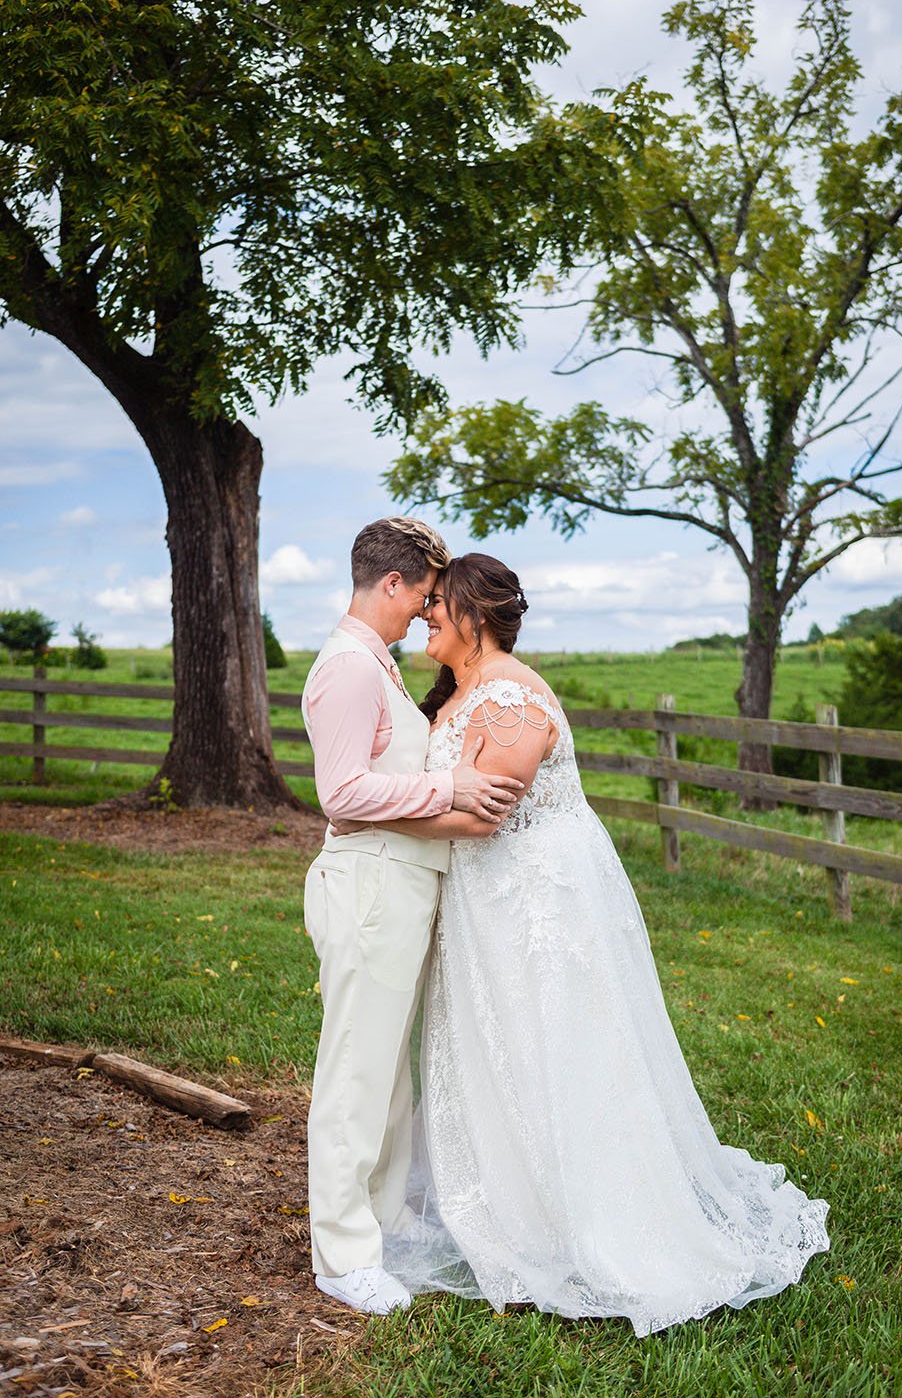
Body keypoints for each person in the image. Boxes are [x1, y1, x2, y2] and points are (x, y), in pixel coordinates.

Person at [329, 552, 831, 1336]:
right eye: (423, 602)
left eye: (439, 604)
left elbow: (483, 815)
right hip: (481, 905)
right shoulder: (458, 694)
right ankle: (506, 1193)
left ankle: (593, 1222)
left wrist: (362, 812)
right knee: (497, 1053)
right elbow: (450, 796)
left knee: (553, 1050)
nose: (426, 614)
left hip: (535, 904)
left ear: (476, 614)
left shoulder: (512, 698)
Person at [300, 521, 524, 1317]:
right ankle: (342, 1255)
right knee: (357, 1074)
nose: (427, 611)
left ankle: (387, 1220)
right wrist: (451, 791)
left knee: (390, 1078)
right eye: (425, 595)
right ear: (390, 584)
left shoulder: (376, 666)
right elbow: (343, 794)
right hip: (368, 888)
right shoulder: (350, 668)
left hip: (399, 888)